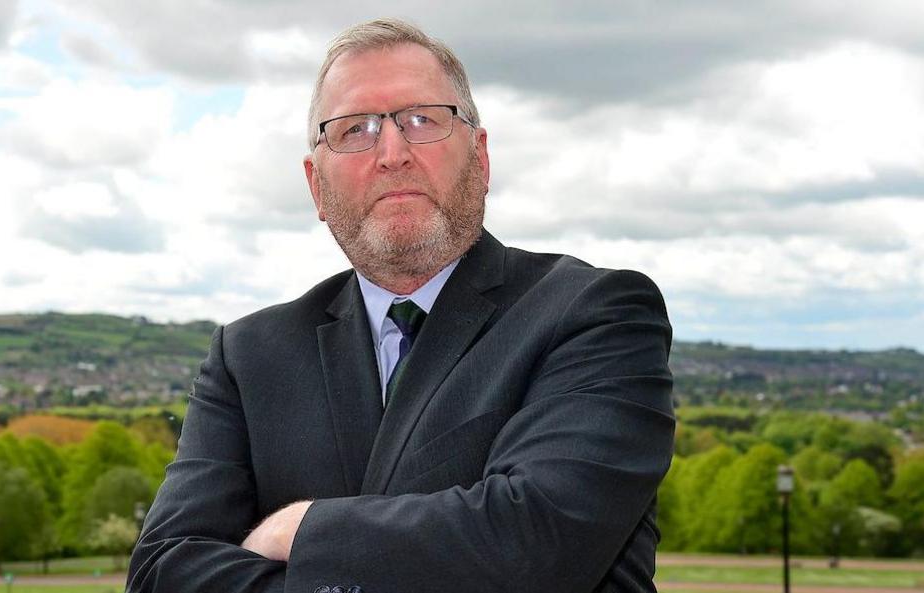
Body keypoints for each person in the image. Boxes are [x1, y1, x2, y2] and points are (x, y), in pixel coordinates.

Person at [127, 18, 674, 593]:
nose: (392, 152)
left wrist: (301, 531)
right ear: (316, 185)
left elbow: (539, 544)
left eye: (422, 120)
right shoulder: (247, 358)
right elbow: (163, 573)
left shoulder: (595, 313)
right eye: (355, 129)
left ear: (481, 159)